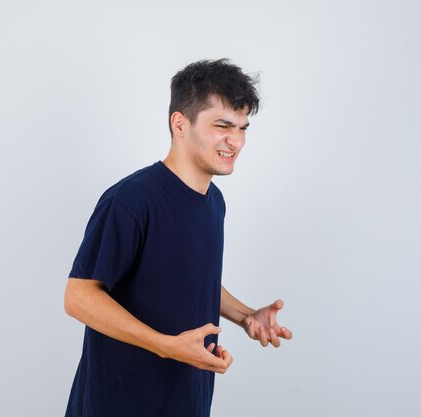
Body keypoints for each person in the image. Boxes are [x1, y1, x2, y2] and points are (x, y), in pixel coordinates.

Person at [64, 58, 292, 417]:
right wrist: (166, 346)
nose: (236, 141)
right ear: (180, 123)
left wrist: (246, 315)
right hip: (119, 404)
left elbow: (186, 278)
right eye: (222, 126)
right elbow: (78, 296)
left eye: (243, 127)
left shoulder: (214, 201)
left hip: (187, 402)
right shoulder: (131, 200)